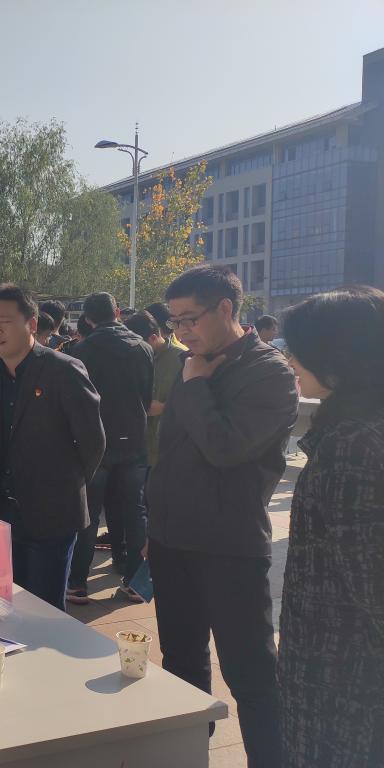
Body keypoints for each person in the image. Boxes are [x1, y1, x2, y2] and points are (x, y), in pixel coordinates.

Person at [147, 265, 297, 767]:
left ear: (226, 308)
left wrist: (194, 388)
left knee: (251, 675)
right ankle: (188, 757)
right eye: (174, 322)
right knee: (181, 662)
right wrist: (155, 524)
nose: (182, 331)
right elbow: (169, 454)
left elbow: (226, 448)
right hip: (172, 541)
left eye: (189, 319)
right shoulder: (192, 363)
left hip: (229, 546)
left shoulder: (269, 373)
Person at [276, 287, 384, 768]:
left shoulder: (352, 448)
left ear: (339, 360)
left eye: (300, 350)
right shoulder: (356, 430)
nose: (291, 360)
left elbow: (372, 585)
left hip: (344, 684)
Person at [0, 284, 105, 610]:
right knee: (6, 607)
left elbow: (93, 442)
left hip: (52, 515)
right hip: (3, 515)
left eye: (5, 321)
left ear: (31, 324)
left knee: (45, 611)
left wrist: (66, 485)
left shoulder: (63, 370)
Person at [66, 292, 153, 605]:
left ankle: (77, 583)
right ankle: (136, 582)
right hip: (134, 439)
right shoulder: (143, 348)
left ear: (88, 318)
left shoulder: (82, 350)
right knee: (135, 513)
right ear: (117, 312)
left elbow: (77, 402)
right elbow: (146, 397)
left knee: (88, 514)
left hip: (96, 443)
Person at [124, 309, 187, 469]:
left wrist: (165, 407)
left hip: (169, 450)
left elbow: (196, 401)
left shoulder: (183, 359)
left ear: (153, 337)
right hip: (139, 447)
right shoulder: (134, 357)